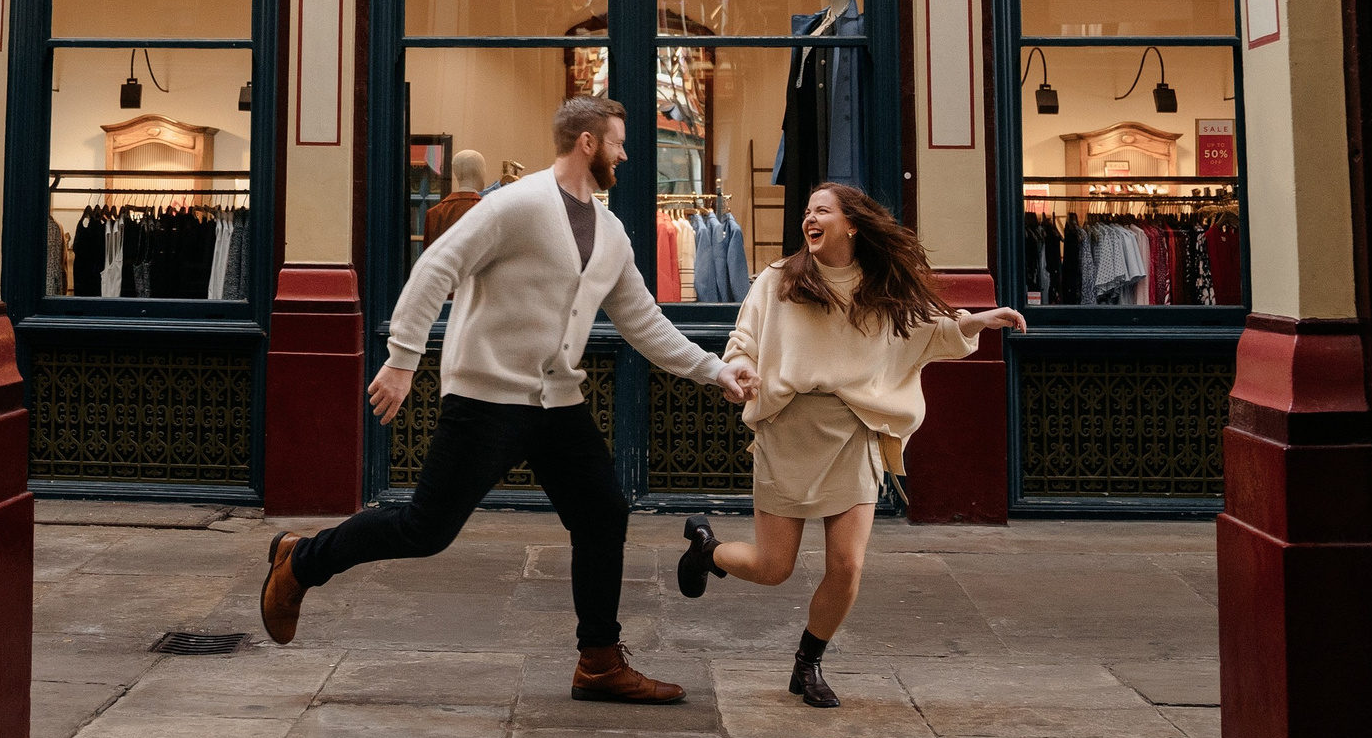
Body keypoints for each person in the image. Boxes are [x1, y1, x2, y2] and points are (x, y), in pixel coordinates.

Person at [263, 96, 757, 703]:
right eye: (618, 142)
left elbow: (644, 322)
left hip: (558, 402)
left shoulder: (611, 232)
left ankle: (599, 660)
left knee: (602, 510)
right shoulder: (516, 205)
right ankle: (302, 562)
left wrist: (715, 371)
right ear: (587, 143)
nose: (627, 153)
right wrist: (401, 359)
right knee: (426, 529)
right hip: (487, 397)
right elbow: (436, 267)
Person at [674, 182, 1026, 707]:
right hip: (788, 430)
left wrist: (976, 320)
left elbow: (929, 330)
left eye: (823, 211)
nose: (809, 219)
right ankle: (709, 551)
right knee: (774, 568)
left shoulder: (882, 284)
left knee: (847, 565)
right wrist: (742, 366)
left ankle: (808, 663)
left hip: (855, 432)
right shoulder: (778, 280)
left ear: (852, 223)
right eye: (807, 211)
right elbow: (743, 341)